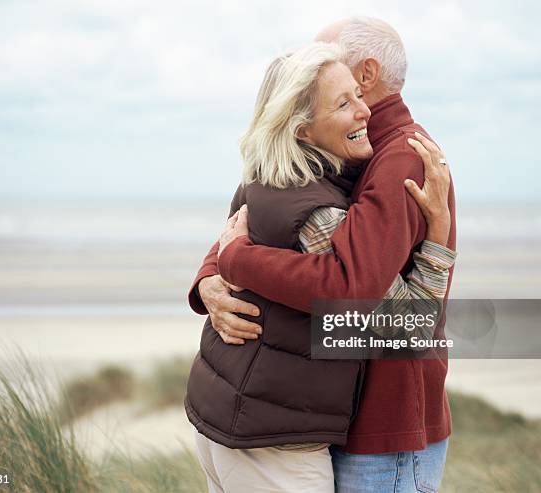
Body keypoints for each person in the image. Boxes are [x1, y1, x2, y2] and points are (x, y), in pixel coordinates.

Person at [187, 36, 455, 493]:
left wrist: (218, 270)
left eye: (356, 94)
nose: (362, 110)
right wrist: (439, 233)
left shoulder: (269, 175)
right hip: (273, 439)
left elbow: (238, 232)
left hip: (236, 420)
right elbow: (403, 322)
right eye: (342, 102)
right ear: (302, 129)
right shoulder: (321, 210)